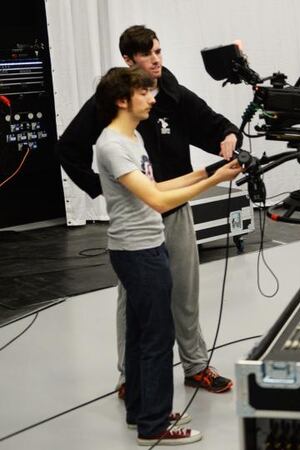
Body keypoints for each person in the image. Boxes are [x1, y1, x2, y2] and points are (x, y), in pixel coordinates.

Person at [56, 25, 238, 395]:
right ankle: (130, 377)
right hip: (137, 222)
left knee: (184, 294)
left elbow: (211, 123)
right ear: (128, 60)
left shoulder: (172, 93)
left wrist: (228, 136)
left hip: (176, 210)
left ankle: (195, 365)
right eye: (147, 54)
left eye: (159, 51)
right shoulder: (113, 105)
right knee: (135, 303)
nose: (156, 60)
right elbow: (68, 149)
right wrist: (102, 188)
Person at [94, 66, 242, 444]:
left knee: (141, 333)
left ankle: (141, 411)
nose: (153, 99)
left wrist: (209, 169)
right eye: (144, 93)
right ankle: (154, 426)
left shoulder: (132, 140)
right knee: (158, 339)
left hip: (146, 247)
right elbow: (158, 200)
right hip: (137, 252)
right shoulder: (111, 145)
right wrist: (213, 182)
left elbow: (158, 184)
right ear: (123, 100)